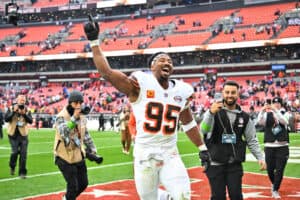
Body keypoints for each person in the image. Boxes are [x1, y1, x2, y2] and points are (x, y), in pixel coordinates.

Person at [83, 17, 209, 200]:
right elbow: (107, 73)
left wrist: (202, 147)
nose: (167, 62)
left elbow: (188, 123)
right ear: (152, 66)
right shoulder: (140, 84)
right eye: (161, 60)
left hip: (170, 153)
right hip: (145, 154)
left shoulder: (181, 90)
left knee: (183, 195)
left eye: (170, 61)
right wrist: (94, 42)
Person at [200, 80, 266, 200]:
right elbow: (203, 131)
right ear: (223, 93)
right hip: (215, 163)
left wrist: (260, 157)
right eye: (227, 92)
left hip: (234, 164)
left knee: (236, 196)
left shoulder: (245, 117)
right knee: (218, 197)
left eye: (233, 92)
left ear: (238, 94)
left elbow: (252, 140)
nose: (230, 95)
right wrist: (210, 113)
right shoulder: (213, 111)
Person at [54, 90, 100, 200]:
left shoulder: (82, 117)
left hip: (78, 154)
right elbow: (63, 131)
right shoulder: (61, 116)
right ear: (70, 103)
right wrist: (74, 118)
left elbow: (86, 134)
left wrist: (92, 149)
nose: (79, 106)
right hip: (63, 155)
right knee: (73, 186)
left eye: (81, 103)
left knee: (83, 183)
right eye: (76, 103)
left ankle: (66, 198)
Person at [256, 97, 289, 199]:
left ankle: (275, 189)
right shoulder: (267, 114)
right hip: (269, 145)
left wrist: (275, 110)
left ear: (281, 104)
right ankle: (274, 184)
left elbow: (284, 122)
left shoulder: (285, 113)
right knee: (270, 169)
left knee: (279, 169)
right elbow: (260, 122)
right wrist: (262, 110)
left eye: (278, 103)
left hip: (282, 145)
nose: (276, 104)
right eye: (274, 103)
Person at [5, 94, 33, 179]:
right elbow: (6, 119)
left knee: (23, 154)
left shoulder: (27, 109)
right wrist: (13, 112)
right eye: (21, 100)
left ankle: (22, 173)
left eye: (24, 100)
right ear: (17, 100)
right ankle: (12, 166)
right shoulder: (11, 108)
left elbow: (30, 121)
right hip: (13, 134)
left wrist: (24, 114)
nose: (22, 102)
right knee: (14, 152)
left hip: (23, 135)